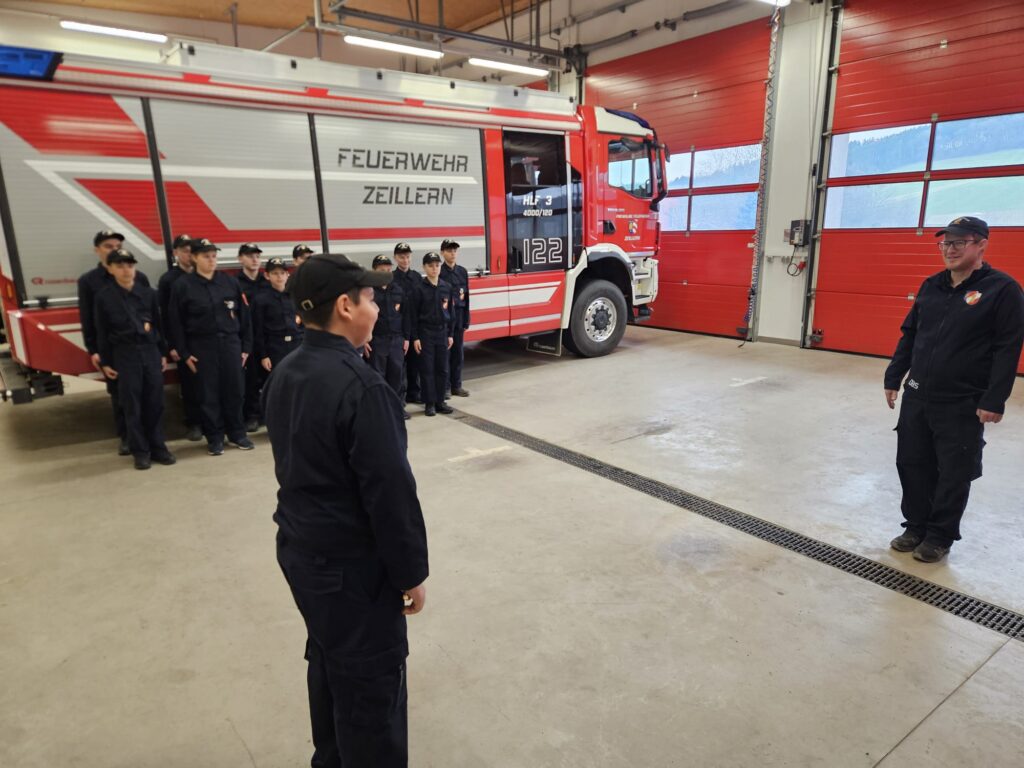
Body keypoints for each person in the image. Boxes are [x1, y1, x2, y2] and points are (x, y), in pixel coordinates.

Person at [262, 252, 428, 768]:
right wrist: (410, 574)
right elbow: (390, 496)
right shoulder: (363, 388)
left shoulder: (287, 371)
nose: (377, 308)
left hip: (303, 556)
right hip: (352, 572)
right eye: (371, 298)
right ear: (344, 306)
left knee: (331, 662)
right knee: (371, 688)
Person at [884, 216, 1024, 563]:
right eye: (945, 243)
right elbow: (910, 334)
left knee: (954, 471)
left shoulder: (1003, 290)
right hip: (918, 394)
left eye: (959, 242)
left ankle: (940, 535)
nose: (949, 249)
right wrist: (894, 376)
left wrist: (994, 399)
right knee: (912, 463)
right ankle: (915, 526)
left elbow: (1007, 348)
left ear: (981, 245)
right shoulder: (932, 285)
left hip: (962, 401)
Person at [167, 238, 255, 456]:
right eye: (206, 256)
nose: (211, 260)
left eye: (214, 256)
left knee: (235, 392)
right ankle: (215, 438)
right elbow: (175, 323)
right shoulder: (183, 286)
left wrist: (245, 348)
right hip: (202, 347)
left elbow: (245, 318)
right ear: (195, 258)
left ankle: (237, 434)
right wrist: (184, 353)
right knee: (208, 395)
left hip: (230, 344)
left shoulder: (229, 283)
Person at [94, 248, 175, 470]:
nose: (126, 270)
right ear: (110, 269)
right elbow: (102, 331)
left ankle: (159, 447)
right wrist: (106, 362)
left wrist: (161, 353)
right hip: (125, 354)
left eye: (129, 265)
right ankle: (140, 451)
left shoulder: (148, 294)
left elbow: (158, 325)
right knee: (132, 405)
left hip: (149, 352)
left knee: (155, 403)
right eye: (120, 266)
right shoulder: (104, 298)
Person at [77, 229, 151, 455]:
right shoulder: (89, 281)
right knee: (120, 395)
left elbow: (149, 313)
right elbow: (89, 319)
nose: (114, 249)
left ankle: (149, 436)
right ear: (97, 250)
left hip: (142, 347)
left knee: (147, 394)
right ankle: (127, 437)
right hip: (115, 348)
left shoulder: (140, 277)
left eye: (117, 246)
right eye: (108, 246)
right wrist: (94, 349)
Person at [158, 233, 203, 441]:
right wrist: (172, 345)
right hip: (183, 341)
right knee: (190, 384)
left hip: (203, 339)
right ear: (175, 253)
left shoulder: (202, 276)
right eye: (184, 251)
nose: (188, 254)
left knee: (207, 383)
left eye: (191, 250)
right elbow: (166, 316)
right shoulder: (169, 280)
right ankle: (194, 423)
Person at [410, 252, 454, 417]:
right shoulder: (418, 289)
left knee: (442, 368)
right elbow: (413, 315)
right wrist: (415, 337)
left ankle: (440, 401)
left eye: (437, 265)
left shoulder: (446, 287)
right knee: (427, 369)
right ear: (424, 267)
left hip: (442, 332)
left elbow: (451, 312)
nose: (434, 269)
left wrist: (450, 334)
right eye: (430, 265)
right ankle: (429, 403)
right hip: (425, 333)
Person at [367, 255, 410, 419]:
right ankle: (380, 411)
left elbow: (406, 315)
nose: (385, 273)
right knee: (378, 377)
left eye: (388, 269)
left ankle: (397, 407)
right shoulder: (368, 292)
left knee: (396, 375)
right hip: (377, 340)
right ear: (374, 271)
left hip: (396, 340)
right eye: (381, 270)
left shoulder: (397, 289)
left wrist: (406, 338)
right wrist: (364, 340)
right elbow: (362, 318)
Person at [237, 243, 269, 432]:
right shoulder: (235, 283)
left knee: (269, 379)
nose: (255, 260)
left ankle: (268, 413)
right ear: (240, 259)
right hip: (247, 338)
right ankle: (252, 416)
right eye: (250, 256)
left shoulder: (267, 282)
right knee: (250, 379)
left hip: (267, 338)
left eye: (257, 256)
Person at [252, 257, 303, 372]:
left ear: (288, 275)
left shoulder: (295, 296)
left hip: (297, 344)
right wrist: (264, 355)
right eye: (275, 273)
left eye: (282, 273)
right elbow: (258, 329)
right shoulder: (261, 300)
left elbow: (304, 322)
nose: (279, 277)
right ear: (267, 275)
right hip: (275, 347)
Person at [391, 242, 422, 405]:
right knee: (399, 364)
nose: (405, 260)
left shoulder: (416, 277)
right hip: (399, 325)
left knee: (415, 362)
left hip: (415, 325)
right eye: (402, 257)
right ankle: (401, 397)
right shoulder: (391, 278)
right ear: (395, 258)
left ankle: (414, 393)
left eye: (408, 257)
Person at [439, 238, 471, 398]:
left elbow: (466, 297)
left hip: (458, 318)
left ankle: (456, 386)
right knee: (445, 354)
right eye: (449, 250)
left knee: (458, 354)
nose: (452, 253)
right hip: (445, 319)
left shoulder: (462, 272)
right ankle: (445, 387)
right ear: (442, 253)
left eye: (454, 250)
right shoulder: (439, 272)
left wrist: (466, 319)